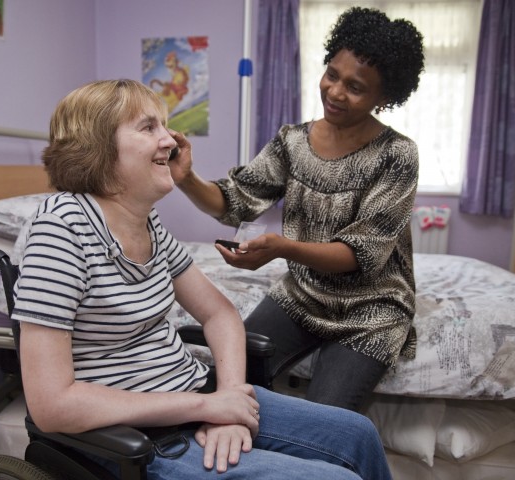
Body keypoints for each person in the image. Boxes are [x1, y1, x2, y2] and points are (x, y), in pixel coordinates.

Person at [11, 79, 392, 479]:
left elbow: (220, 313)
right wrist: (206, 408)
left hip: (195, 396)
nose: (171, 141)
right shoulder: (61, 228)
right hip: (137, 437)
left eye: (165, 126)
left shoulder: (148, 224)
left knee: (358, 434)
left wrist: (227, 397)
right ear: (98, 149)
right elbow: (51, 405)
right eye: (148, 127)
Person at [169, 7, 425, 412]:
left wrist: (283, 248)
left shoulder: (396, 156)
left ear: (385, 97)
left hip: (371, 311)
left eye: (356, 87)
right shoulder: (293, 141)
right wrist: (185, 178)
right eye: (332, 74)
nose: (336, 92)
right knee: (225, 385)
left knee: (325, 421)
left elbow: (360, 255)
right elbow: (235, 200)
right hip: (302, 295)